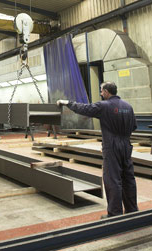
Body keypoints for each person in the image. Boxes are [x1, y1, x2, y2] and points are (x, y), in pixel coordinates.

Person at [57, 82, 138, 217]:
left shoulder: (104, 106)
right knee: (128, 178)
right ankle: (132, 210)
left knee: (112, 179)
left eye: (101, 91)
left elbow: (85, 108)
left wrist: (67, 103)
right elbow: (134, 126)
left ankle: (115, 214)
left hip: (112, 146)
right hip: (126, 145)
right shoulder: (128, 106)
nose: (101, 93)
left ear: (106, 92)